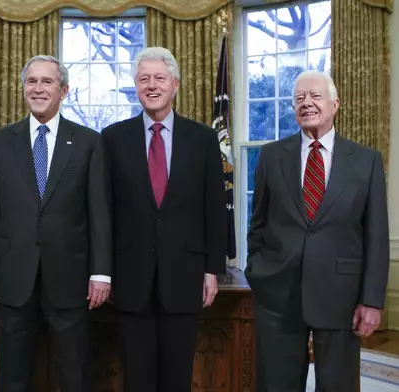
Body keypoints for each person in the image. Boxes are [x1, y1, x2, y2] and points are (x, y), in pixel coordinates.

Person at [0, 55, 112, 392]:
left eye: (46, 82)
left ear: (63, 90)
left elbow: (100, 212)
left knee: (73, 373)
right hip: (11, 278)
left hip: (71, 278)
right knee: (12, 375)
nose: (38, 88)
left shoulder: (89, 142)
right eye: (31, 82)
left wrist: (101, 272)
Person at [245, 70, 389, 392]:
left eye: (315, 96)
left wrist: (371, 300)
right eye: (299, 98)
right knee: (276, 385)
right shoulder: (271, 156)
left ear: (335, 104)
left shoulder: (366, 161)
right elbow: (258, 223)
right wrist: (257, 267)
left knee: (338, 385)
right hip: (278, 295)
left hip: (342, 296)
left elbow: (376, 236)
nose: (306, 103)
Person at [100, 46, 227, 392]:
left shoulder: (202, 138)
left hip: (185, 276)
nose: (151, 85)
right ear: (136, 87)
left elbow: (215, 206)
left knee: (177, 377)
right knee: (136, 377)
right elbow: (103, 210)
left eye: (159, 78)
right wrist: (103, 270)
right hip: (130, 277)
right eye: (144, 79)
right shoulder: (112, 139)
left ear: (175, 84)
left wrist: (213, 268)